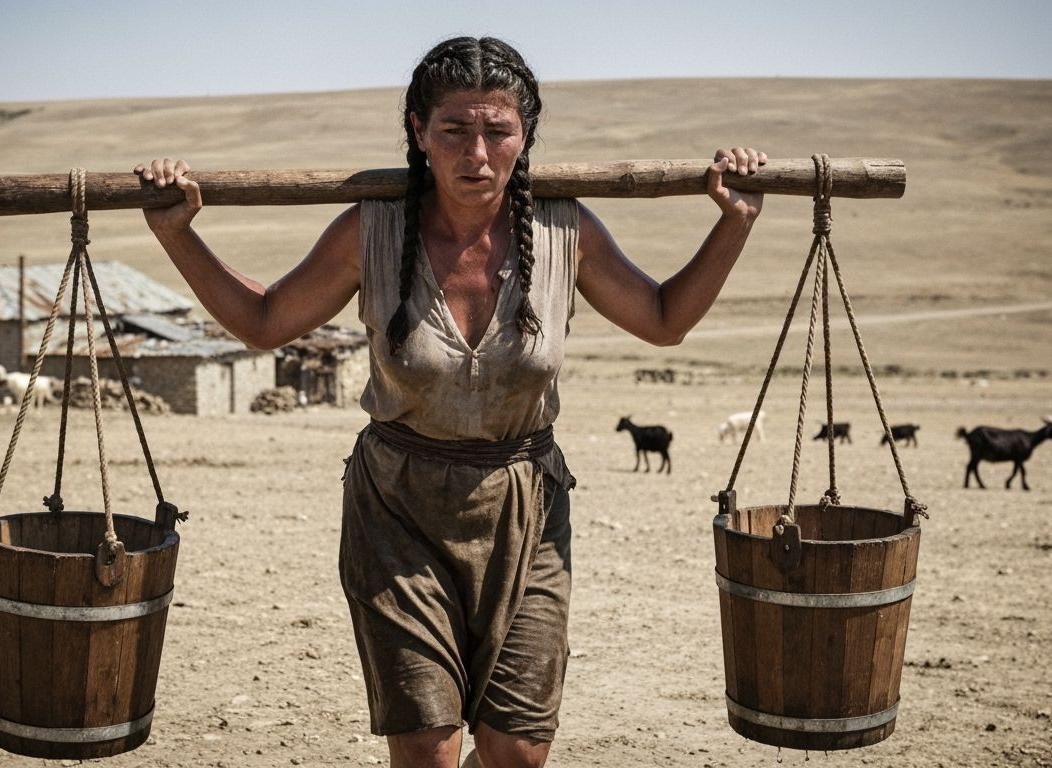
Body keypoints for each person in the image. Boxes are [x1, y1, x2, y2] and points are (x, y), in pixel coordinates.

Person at [137, 36, 764, 768]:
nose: (478, 155)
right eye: (455, 130)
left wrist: (735, 222)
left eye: (499, 132)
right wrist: (177, 235)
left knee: (517, 752)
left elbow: (663, 319)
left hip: (527, 509)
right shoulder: (371, 231)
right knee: (427, 749)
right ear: (418, 131)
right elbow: (265, 320)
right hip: (398, 511)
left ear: (526, 136)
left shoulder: (564, 231)